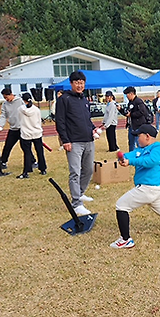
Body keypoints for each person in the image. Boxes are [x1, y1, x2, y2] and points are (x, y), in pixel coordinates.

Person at [56, 71, 100, 216]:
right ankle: (76, 203)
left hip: (88, 140)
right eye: (77, 82)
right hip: (74, 142)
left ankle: (80, 193)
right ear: (71, 83)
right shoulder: (64, 99)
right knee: (75, 172)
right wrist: (65, 141)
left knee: (88, 170)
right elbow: (60, 121)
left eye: (82, 83)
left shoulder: (84, 100)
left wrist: (93, 129)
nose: (80, 85)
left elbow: (87, 120)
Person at [16, 92, 47, 179]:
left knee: (27, 153)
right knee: (40, 152)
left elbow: (19, 119)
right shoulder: (36, 109)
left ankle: (26, 171)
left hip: (26, 134)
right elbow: (38, 121)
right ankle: (43, 169)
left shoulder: (20, 109)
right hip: (37, 133)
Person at [0, 88, 26, 170]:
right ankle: (3, 162)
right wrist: (1, 125)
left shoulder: (20, 101)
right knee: (7, 146)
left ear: (11, 94)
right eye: (4, 97)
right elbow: (3, 115)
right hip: (13, 129)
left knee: (24, 146)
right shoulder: (5, 104)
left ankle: (33, 162)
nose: (6, 99)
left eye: (6, 97)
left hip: (22, 128)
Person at [120, 86, 148, 152]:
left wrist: (131, 115)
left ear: (131, 94)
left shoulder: (139, 101)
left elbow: (142, 112)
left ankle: (141, 155)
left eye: (127, 94)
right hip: (131, 125)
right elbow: (127, 113)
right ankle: (131, 156)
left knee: (139, 142)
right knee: (131, 143)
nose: (126, 96)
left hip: (138, 125)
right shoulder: (130, 102)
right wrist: (121, 110)